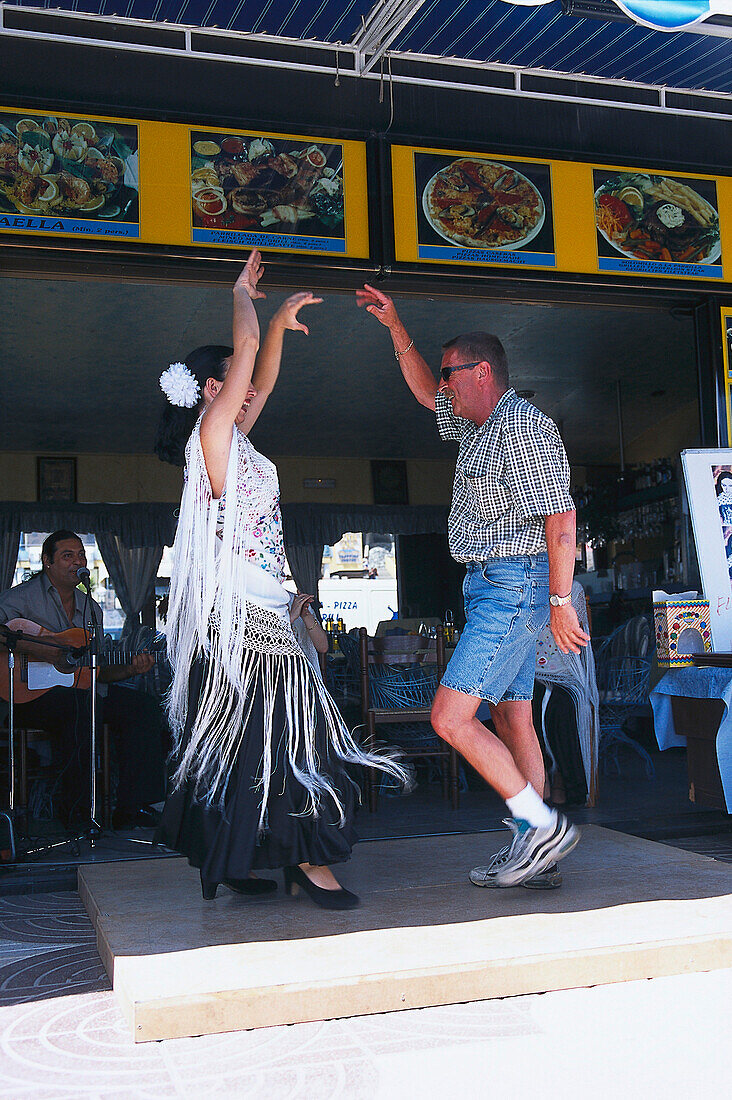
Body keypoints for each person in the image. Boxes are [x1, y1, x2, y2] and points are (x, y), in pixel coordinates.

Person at [155, 252, 405, 909]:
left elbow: (258, 377)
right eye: (231, 380)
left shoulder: (233, 439)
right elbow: (245, 353)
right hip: (241, 619)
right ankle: (302, 858)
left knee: (251, 744)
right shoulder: (209, 437)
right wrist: (243, 294)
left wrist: (277, 326)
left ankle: (230, 857)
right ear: (212, 389)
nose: (244, 389)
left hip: (263, 608)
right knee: (288, 737)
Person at [357, 283, 589, 888]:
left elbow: (561, 520)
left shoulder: (523, 429)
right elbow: (423, 394)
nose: (443, 384)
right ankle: (538, 857)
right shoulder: (475, 427)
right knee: (514, 717)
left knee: (448, 718)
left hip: (513, 585)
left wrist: (561, 602)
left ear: (480, 371)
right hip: (496, 586)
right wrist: (396, 329)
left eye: (449, 374)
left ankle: (540, 824)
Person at [0, 530, 166, 828]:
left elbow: (94, 668)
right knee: (80, 706)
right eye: (67, 556)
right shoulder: (20, 599)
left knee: (143, 707)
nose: (77, 561)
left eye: (80, 555)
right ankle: (76, 812)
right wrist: (41, 648)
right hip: (24, 695)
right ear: (47, 561)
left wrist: (130, 669)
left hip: (78, 690)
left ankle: (132, 807)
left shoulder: (91, 608)